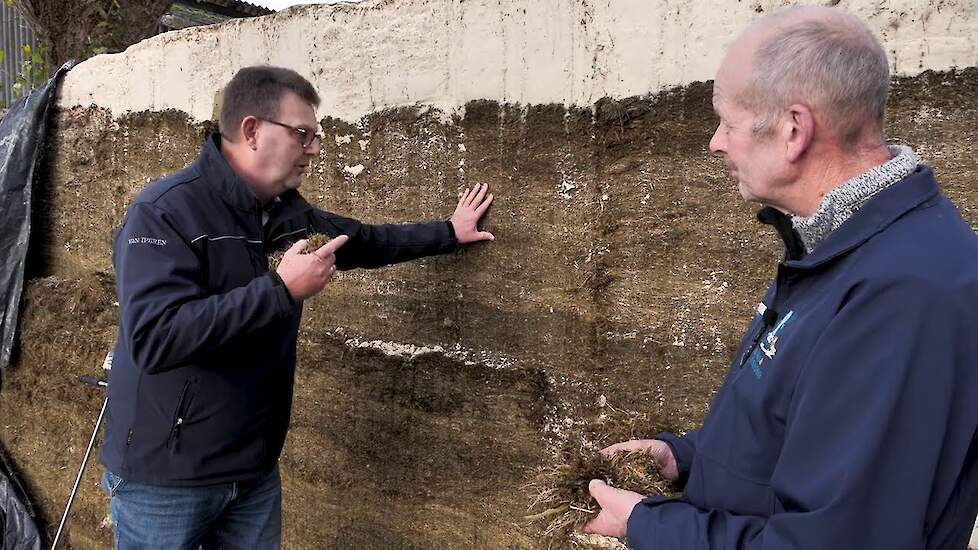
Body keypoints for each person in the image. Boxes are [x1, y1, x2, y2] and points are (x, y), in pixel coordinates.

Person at [585, 6, 978, 548]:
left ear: (793, 130)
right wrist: (686, 459)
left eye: (727, 119)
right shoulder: (836, 246)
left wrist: (648, 524)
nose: (715, 142)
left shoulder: (903, 295)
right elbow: (805, 434)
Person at [100, 65, 495, 549]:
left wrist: (449, 233)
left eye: (315, 136)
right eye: (302, 134)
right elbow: (154, 338)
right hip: (166, 477)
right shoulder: (164, 211)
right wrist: (279, 290)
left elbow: (364, 241)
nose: (314, 149)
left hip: (252, 471)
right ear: (251, 131)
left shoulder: (287, 213)